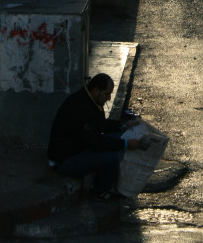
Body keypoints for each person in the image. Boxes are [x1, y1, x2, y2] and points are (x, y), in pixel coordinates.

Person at [47, 72, 145, 201]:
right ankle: (99, 191)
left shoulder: (91, 101)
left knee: (122, 137)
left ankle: (112, 179)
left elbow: (101, 125)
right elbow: (95, 141)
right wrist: (126, 144)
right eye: (107, 94)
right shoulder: (81, 107)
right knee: (112, 156)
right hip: (66, 159)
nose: (109, 98)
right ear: (96, 90)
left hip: (81, 148)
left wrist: (124, 126)